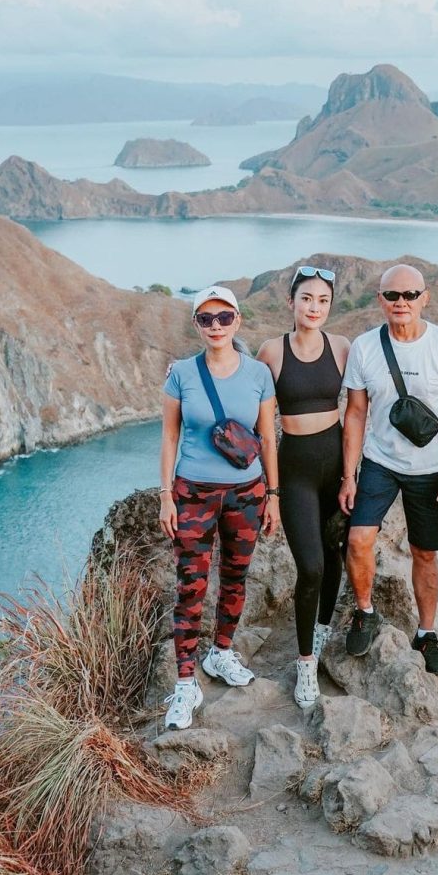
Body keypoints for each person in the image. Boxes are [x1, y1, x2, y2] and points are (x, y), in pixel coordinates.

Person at [339, 263, 438, 675]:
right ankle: (365, 611)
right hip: (380, 462)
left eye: (410, 295)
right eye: (392, 295)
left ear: (424, 298)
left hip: (432, 469)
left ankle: (426, 632)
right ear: (380, 300)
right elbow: (356, 412)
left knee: (425, 552)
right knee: (358, 540)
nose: (402, 302)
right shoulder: (365, 347)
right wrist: (348, 475)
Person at [159, 284, 279, 730]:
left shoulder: (258, 374)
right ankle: (185, 683)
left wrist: (273, 496)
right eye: (206, 319)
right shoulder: (181, 374)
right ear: (196, 324)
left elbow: (267, 439)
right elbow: (170, 436)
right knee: (190, 586)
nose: (216, 326)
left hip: (246, 493)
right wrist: (166, 495)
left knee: (235, 576)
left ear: (237, 320)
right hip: (193, 493)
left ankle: (221, 652)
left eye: (224, 317)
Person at [257, 266, 350, 709]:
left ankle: (323, 628)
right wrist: (272, 493)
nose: (315, 307)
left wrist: (352, 476)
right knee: (310, 567)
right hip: (295, 470)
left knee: (334, 557)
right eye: (307, 298)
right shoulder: (271, 351)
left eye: (323, 300)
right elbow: (257, 418)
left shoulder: (343, 347)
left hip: (337, 467)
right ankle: (305, 663)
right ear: (291, 302)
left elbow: (364, 402)